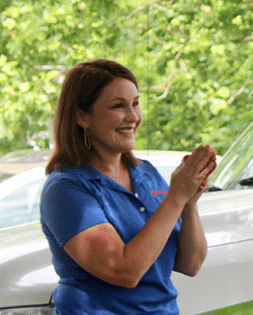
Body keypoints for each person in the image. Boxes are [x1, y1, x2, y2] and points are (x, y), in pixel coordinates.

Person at [40, 59, 214, 314]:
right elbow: (123, 271)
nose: (133, 117)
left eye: (135, 103)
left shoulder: (146, 174)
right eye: (118, 106)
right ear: (82, 116)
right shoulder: (65, 189)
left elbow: (190, 264)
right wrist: (176, 195)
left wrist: (189, 203)